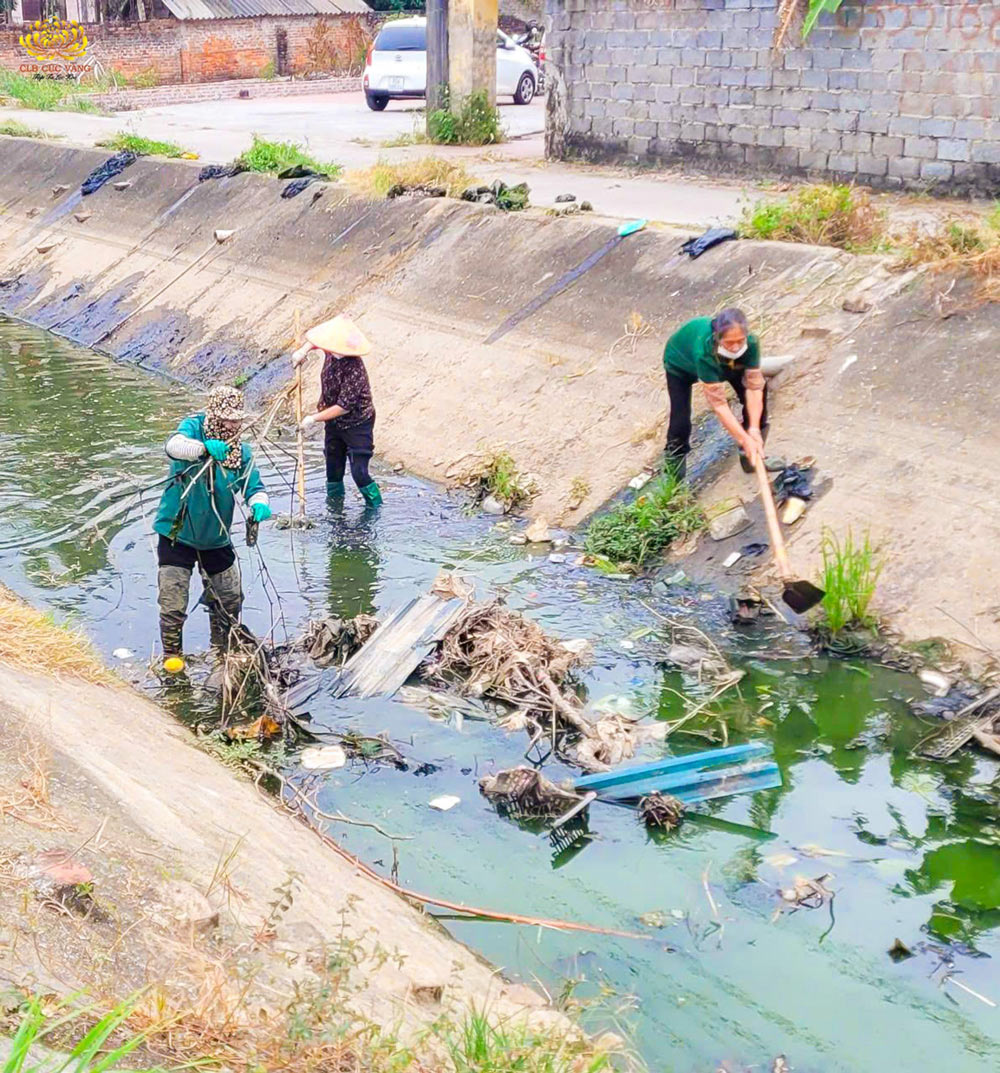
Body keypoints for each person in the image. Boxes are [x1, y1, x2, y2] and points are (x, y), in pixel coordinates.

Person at [153, 384, 271, 670]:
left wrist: (259, 503)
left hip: (216, 537)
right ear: (215, 415)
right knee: (173, 601)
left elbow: (253, 486)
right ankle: (172, 657)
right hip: (177, 533)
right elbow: (173, 446)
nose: (233, 425)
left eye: (237, 420)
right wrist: (203, 449)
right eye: (228, 419)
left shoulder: (239, 452)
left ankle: (222, 654)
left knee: (229, 600)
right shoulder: (194, 428)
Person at [662, 307, 768, 481]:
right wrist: (743, 438)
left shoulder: (751, 344)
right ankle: (673, 483)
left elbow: (754, 388)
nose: (735, 347)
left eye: (740, 341)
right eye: (729, 343)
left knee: (761, 393)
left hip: (727, 364)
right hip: (680, 365)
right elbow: (719, 405)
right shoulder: (704, 352)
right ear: (717, 338)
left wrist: (754, 430)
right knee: (680, 421)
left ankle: (751, 458)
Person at [292, 315, 382, 508]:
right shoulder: (332, 352)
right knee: (333, 467)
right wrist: (303, 351)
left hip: (357, 423)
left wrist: (312, 419)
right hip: (333, 423)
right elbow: (316, 343)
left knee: (359, 472)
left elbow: (343, 407)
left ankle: (375, 507)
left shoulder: (354, 369)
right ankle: (335, 508)